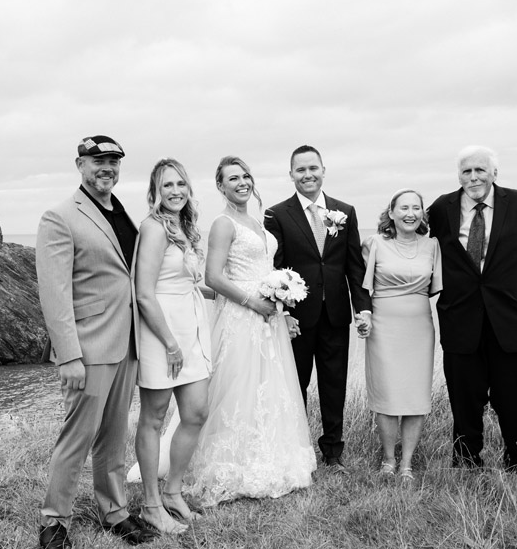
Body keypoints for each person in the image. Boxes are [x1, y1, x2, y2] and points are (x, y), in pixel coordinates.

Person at [34, 134, 156, 549]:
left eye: (113, 161)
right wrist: (68, 356)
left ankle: (115, 511)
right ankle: (54, 520)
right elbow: (55, 293)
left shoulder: (122, 213)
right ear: (80, 164)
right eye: (98, 160)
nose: (107, 167)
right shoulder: (60, 216)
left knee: (114, 434)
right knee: (77, 435)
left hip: (127, 343)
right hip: (88, 347)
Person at [186, 156, 316, 505]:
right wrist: (251, 302)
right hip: (241, 318)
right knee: (237, 388)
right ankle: (231, 465)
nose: (242, 182)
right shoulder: (223, 223)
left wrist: (280, 303)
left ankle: (269, 458)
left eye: (245, 176)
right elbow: (212, 277)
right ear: (220, 186)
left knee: (268, 388)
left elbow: (264, 271)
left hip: (267, 319)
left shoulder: (257, 223)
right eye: (232, 178)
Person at [427, 146, 517, 477]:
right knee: (464, 397)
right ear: (459, 176)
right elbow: (412, 238)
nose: (474, 177)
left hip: (512, 319)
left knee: (515, 395)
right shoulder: (442, 208)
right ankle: (466, 461)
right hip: (460, 318)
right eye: (467, 171)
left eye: (480, 170)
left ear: (494, 173)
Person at [264, 145, 372, 473]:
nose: (308, 175)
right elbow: (274, 269)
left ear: (323, 170)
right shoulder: (277, 214)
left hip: (336, 314)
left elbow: (354, 266)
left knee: (333, 383)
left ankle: (333, 453)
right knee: (295, 384)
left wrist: (363, 308)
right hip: (297, 318)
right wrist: (284, 314)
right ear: (291, 175)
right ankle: (296, 450)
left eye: (313, 168)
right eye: (300, 170)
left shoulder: (345, 211)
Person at [132, 158, 211, 534]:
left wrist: (243, 296)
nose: (175, 191)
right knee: (154, 416)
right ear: (155, 192)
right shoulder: (153, 228)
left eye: (180, 183)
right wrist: (169, 343)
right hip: (161, 332)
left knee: (195, 412)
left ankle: (173, 491)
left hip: (190, 327)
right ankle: (150, 505)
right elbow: (144, 293)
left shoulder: (185, 226)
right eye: (167, 186)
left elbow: (192, 282)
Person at [361, 189, 442, 481]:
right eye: (404, 207)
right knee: (388, 393)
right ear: (391, 212)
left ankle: (407, 463)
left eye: (416, 208)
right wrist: (363, 317)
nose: (410, 213)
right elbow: (360, 287)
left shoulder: (433, 246)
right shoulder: (374, 244)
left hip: (419, 326)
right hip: (384, 325)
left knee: (415, 395)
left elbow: (439, 288)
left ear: (422, 214)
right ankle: (388, 459)